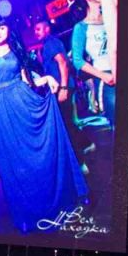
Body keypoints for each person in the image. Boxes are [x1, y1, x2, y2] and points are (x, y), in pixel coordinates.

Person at [0, 20, 87, 232]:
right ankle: (25, 211)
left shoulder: (16, 52)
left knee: (33, 155)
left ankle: (56, 197)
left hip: (24, 103)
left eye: (2, 28)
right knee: (13, 160)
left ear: (8, 30)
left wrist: (47, 78)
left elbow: (27, 82)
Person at [32, 16, 86, 154]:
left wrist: (63, 88)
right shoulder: (50, 43)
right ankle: (85, 145)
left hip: (62, 87)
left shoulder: (50, 43)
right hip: (63, 86)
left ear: (47, 29)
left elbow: (62, 63)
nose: (36, 32)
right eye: (35, 30)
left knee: (65, 121)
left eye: (38, 29)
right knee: (67, 120)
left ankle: (80, 154)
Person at [70, 0, 115, 127]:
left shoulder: (110, 17)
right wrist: (103, 76)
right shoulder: (81, 27)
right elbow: (77, 60)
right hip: (105, 76)